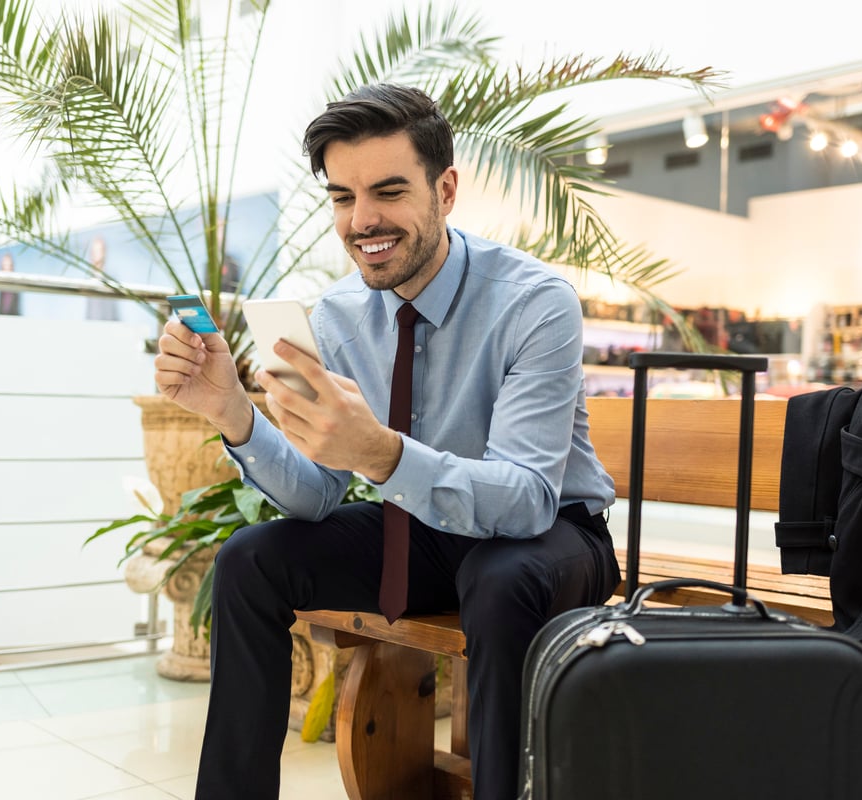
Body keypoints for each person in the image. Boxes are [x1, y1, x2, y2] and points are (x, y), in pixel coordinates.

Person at [155, 83, 620, 800]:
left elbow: (527, 500)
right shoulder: (340, 314)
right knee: (250, 558)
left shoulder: (534, 302)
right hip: (424, 530)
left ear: (446, 189)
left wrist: (380, 454)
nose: (362, 220)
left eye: (388, 192)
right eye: (342, 197)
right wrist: (234, 416)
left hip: (554, 536)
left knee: (499, 581)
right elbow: (315, 495)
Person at [0, 251, 20, 316]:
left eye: (8, 265)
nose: (6, 268)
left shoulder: (16, 282)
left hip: (14, 317)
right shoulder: (0, 283)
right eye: (5, 265)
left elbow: (16, 306)